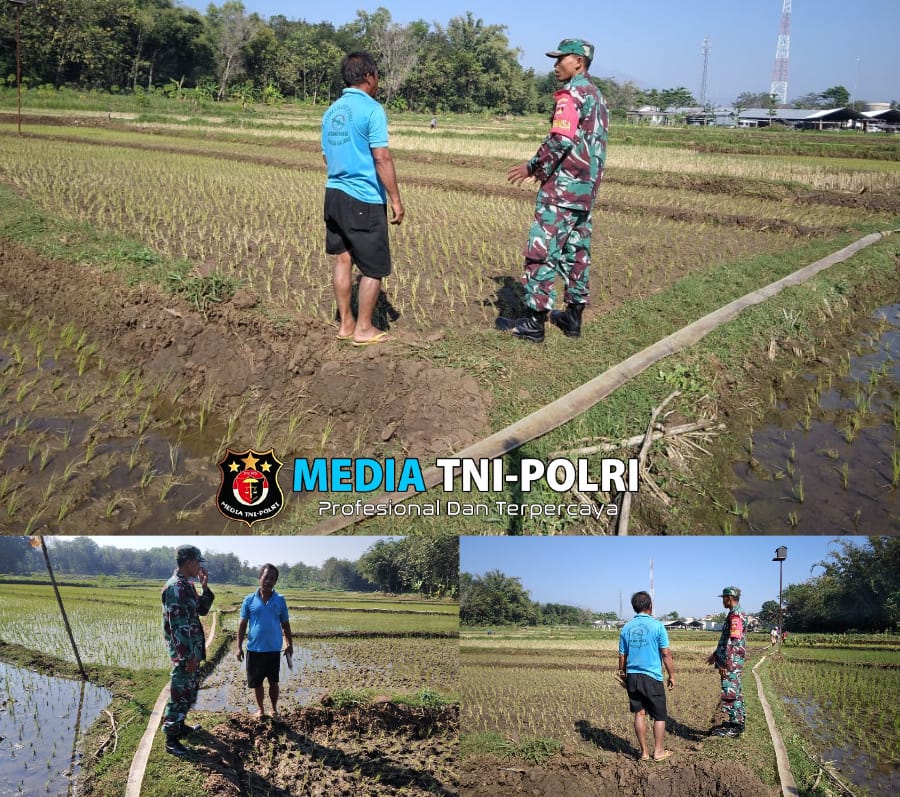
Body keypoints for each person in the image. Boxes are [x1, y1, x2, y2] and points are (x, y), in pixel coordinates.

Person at [501, 38, 609, 342]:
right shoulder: (598, 97)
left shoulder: (571, 94)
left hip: (562, 192)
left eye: (561, 59)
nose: (555, 65)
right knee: (577, 253)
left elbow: (561, 139)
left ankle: (534, 323)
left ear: (578, 62)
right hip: (585, 192)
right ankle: (573, 318)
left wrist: (533, 167)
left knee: (542, 252)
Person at [321, 51, 405, 346]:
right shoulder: (371, 109)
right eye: (377, 75)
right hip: (363, 198)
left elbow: (326, 156)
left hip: (333, 195)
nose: (378, 81)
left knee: (343, 259)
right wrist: (396, 199)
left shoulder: (331, 112)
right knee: (373, 267)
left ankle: (346, 324)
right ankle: (364, 329)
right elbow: (381, 157)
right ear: (369, 76)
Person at [161, 544, 215, 757]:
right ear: (189, 561)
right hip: (185, 653)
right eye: (198, 562)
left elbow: (202, 610)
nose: (200, 566)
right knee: (179, 693)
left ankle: (180, 726)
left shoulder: (187, 586)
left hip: (192, 651)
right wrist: (187, 657)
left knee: (188, 692)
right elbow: (177, 626)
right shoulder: (175, 587)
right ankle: (171, 739)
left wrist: (204, 587)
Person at [617, 591, 675, 762]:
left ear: (634, 607)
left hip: (633, 676)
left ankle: (644, 753)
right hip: (652, 677)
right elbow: (666, 654)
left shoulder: (627, 628)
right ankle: (658, 752)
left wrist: (622, 674)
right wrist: (672, 675)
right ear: (650, 606)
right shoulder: (658, 626)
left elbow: (622, 656)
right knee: (659, 716)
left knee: (639, 714)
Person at [236, 564, 293, 718]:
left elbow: (285, 625)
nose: (268, 581)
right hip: (254, 649)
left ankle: (273, 709)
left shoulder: (280, 600)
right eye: (266, 577)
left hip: (273, 650)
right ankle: (261, 709)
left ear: (275, 582)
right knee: (257, 683)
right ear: (260, 577)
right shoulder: (249, 600)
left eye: (272, 578)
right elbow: (242, 625)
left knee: (273, 682)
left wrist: (289, 644)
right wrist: (238, 647)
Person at [706, 586, 747, 737]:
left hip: (731, 662)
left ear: (729, 598)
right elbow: (726, 640)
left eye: (723, 598)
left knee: (730, 691)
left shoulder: (735, 616)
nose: (722, 601)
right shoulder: (733, 613)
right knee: (736, 690)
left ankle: (735, 727)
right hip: (732, 661)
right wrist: (716, 654)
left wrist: (725, 663)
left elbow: (734, 642)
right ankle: (737, 722)